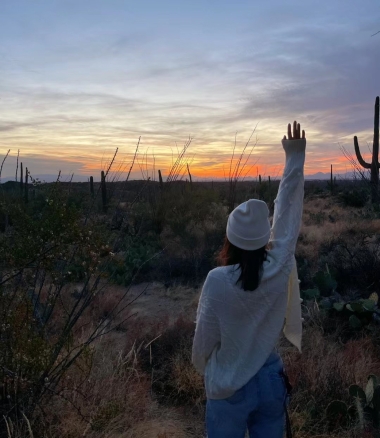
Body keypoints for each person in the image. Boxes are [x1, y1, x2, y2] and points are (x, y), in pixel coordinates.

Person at [192, 121, 306, 438]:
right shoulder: (280, 265)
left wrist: (208, 371)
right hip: (270, 379)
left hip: (228, 386)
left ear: (230, 240)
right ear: (262, 237)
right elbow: (287, 215)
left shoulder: (217, 280)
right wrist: (295, 157)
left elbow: (204, 341)